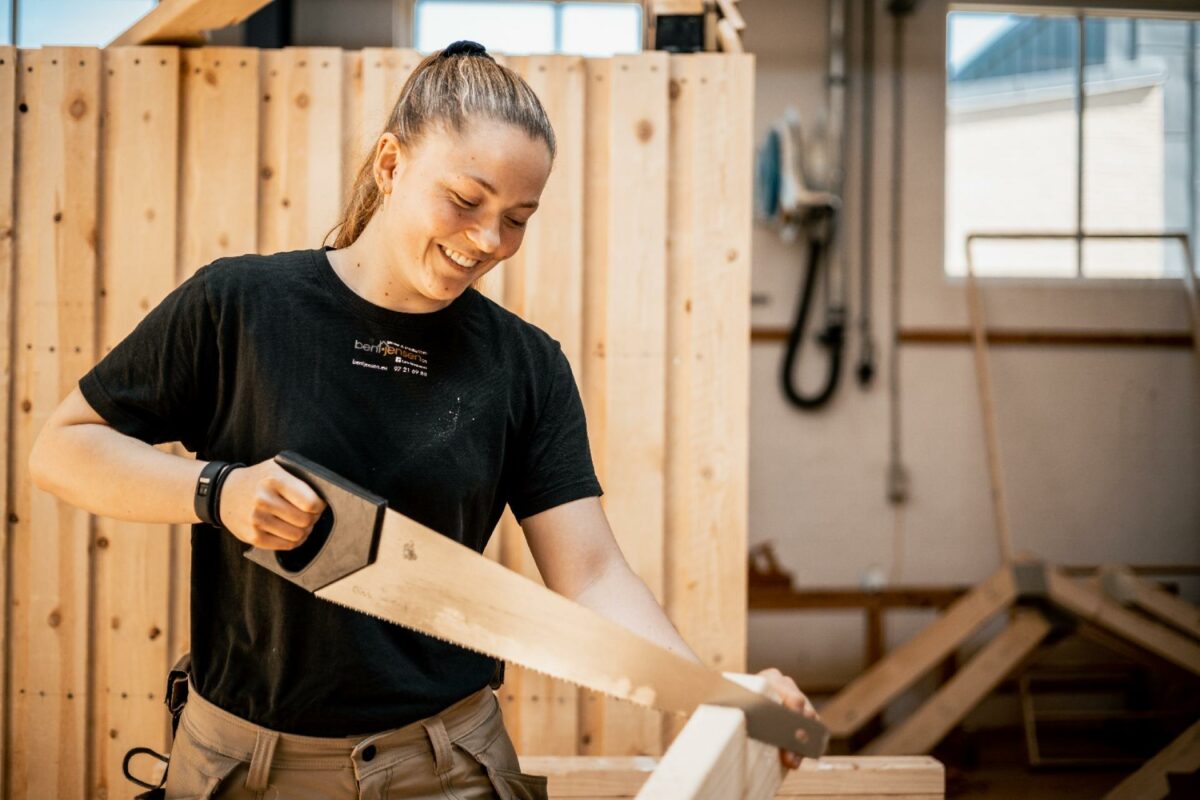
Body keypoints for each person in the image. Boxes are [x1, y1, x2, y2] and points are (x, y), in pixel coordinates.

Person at [29, 40, 818, 800]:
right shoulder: (238, 306)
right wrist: (218, 492)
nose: (488, 241)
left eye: (518, 217)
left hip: (447, 766)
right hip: (241, 764)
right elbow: (63, 449)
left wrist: (721, 697)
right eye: (466, 200)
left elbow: (593, 574)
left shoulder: (525, 365)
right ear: (390, 163)